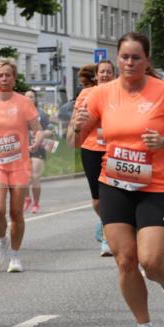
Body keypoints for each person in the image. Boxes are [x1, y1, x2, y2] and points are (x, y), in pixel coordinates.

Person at [73, 32, 164, 327]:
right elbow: (77, 142)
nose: (129, 62)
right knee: (125, 260)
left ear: (147, 60)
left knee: (151, 261)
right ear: (117, 59)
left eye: (136, 57)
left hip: (155, 185)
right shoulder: (100, 94)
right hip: (114, 183)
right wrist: (77, 126)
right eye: (124, 57)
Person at [0, 57, 43, 273]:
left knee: (15, 213)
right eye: (0, 75)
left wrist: (37, 140)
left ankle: (14, 255)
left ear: (14, 78)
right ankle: (2, 240)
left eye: (8, 75)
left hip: (19, 165)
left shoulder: (24, 102)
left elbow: (37, 128)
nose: (4, 78)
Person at [67, 61, 115, 255]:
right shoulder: (86, 94)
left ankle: (108, 236)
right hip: (91, 147)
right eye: (102, 72)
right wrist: (74, 128)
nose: (105, 75)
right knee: (97, 200)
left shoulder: (118, 92)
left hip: (112, 148)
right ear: (96, 76)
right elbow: (75, 118)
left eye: (108, 72)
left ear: (113, 75)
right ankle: (106, 220)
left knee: (110, 194)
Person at [24, 89, 54, 213]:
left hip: (39, 147)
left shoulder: (41, 114)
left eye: (31, 96)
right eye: (27, 97)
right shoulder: (19, 113)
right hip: (23, 148)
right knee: (24, 177)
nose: (29, 99)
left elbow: (49, 131)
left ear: (35, 99)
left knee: (35, 175)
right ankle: (27, 199)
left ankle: (36, 203)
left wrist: (38, 134)